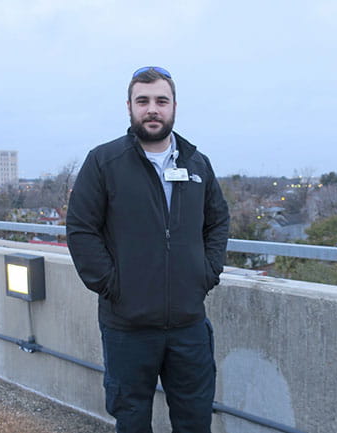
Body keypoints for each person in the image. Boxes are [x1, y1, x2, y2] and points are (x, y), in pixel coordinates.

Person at [66, 66, 230, 433]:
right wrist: (113, 286)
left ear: (174, 106)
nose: (152, 109)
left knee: (194, 420)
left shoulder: (196, 163)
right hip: (128, 325)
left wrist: (206, 272)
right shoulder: (104, 162)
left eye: (161, 100)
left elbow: (217, 221)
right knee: (132, 419)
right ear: (129, 107)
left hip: (188, 324)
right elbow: (81, 229)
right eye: (143, 101)